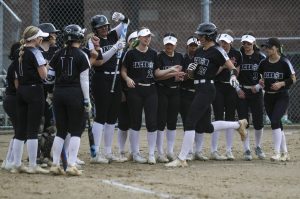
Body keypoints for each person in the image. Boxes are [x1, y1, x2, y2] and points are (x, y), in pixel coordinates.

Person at [165, 22, 248, 168]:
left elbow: (232, 68)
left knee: (190, 122)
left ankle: (182, 158)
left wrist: (233, 77)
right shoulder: (199, 50)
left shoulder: (217, 50)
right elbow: (192, 76)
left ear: (209, 36)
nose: (199, 38)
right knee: (206, 127)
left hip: (208, 88)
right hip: (199, 87)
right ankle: (238, 124)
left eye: (201, 35)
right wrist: (190, 72)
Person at [121, 27, 182, 164]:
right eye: (144, 36)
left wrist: (171, 70)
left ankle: (151, 154)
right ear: (139, 38)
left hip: (151, 90)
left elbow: (156, 74)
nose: (147, 39)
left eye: (149, 37)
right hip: (135, 90)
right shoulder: (131, 54)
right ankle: (136, 153)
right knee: (135, 122)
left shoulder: (153, 54)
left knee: (152, 122)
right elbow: (123, 70)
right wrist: (127, 79)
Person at [49, 24, 91, 176]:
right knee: (76, 131)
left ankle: (55, 164)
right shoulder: (82, 55)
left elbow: (49, 77)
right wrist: (87, 100)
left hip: (58, 93)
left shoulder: (57, 53)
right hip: (75, 94)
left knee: (61, 131)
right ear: (79, 37)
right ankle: (71, 165)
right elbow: (84, 80)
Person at [88, 12, 129, 163]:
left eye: (106, 26)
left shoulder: (112, 35)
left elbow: (126, 23)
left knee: (112, 117)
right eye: (101, 27)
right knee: (101, 115)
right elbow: (98, 62)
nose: (104, 29)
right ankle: (95, 153)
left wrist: (122, 17)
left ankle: (108, 151)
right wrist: (114, 49)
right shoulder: (94, 41)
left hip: (116, 77)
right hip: (102, 78)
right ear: (95, 29)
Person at [11, 26, 49, 174]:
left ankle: (16, 164)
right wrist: (45, 64)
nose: (42, 39)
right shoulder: (35, 52)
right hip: (34, 91)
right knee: (32, 129)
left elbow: (16, 77)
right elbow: (44, 75)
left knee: (20, 130)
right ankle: (33, 165)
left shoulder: (17, 52)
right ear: (35, 39)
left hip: (21, 91)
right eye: (40, 37)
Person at [259, 38, 296, 161]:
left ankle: (276, 153)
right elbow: (260, 76)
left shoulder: (284, 62)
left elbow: (293, 79)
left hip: (281, 96)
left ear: (276, 48)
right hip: (268, 96)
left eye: (270, 47)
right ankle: (285, 153)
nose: (267, 49)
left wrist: (281, 83)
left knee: (274, 121)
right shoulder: (264, 63)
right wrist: (261, 81)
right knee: (277, 124)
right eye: (266, 47)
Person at [210, 30, 242, 160]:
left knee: (230, 118)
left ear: (231, 42)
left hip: (230, 87)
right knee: (218, 116)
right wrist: (223, 67)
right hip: (218, 86)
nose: (223, 44)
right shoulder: (216, 52)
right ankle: (214, 150)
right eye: (221, 42)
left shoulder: (236, 54)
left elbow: (237, 72)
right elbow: (212, 73)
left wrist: (236, 85)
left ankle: (229, 150)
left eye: (226, 42)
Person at [236, 33, 266, 160]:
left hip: (256, 92)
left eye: (249, 43)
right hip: (242, 92)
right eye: (244, 43)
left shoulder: (260, 57)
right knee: (244, 122)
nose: (246, 45)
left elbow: (266, 75)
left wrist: (258, 87)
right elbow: (232, 75)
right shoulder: (239, 57)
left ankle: (258, 146)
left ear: (254, 42)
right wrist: (238, 89)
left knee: (258, 121)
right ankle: (246, 149)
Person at [156, 33, 184, 163]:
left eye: (171, 44)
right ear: (164, 44)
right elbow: (157, 76)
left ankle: (170, 151)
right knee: (161, 121)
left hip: (175, 91)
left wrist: (179, 76)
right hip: (162, 90)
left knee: (172, 122)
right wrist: (173, 74)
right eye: (167, 44)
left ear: (175, 45)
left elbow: (181, 74)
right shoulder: (160, 57)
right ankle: (160, 152)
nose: (169, 46)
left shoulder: (179, 56)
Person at [180, 36, 209, 161]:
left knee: (202, 122)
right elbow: (180, 77)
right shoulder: (183, 59)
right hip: (186, 93)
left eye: (196, 46)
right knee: (189, 122)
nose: (193, 48)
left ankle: (198, 150)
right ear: (187, 47)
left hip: (200, 92)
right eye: (191, 46)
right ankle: (190, 151)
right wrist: (188, 74)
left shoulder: (202, 59)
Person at [117, 31, 138, 160]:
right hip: (125, 93)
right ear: (129, 42)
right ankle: (121, 151)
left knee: (134, 123)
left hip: (137, 94)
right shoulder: (123, 55)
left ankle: (133, 151)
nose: (136, 42)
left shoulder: (143, 54)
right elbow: (119, 74)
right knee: (123, 123)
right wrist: (121, 91)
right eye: (133, 40)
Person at [1, 42, 20, 170]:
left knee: (19, 132)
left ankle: (8, 161)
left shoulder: (16, 65)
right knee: (19, 132)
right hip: (13, 100)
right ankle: (9, 161)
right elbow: (18, 87)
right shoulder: (16, 66)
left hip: (12, 100)